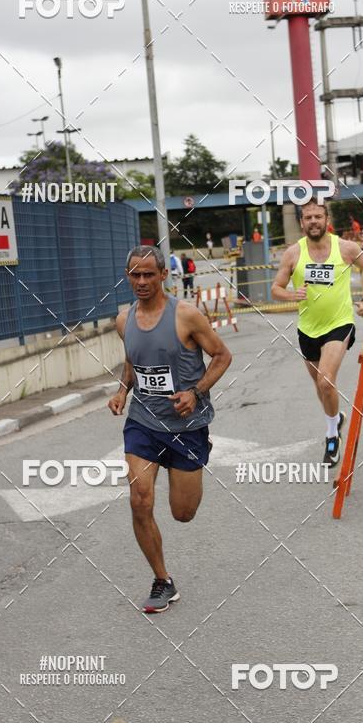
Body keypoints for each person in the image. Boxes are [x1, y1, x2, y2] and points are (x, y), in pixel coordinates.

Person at [108, 246, 232, 612]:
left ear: (164, 275)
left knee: (183, 512)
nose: (142, 281)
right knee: (140, 498)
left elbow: (223, 356)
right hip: (143, 423)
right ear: (127, 275)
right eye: (135, 274)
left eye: (149, 274)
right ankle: (162, 580)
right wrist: (121, 391)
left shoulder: (186, 316)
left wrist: (196, 392)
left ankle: (186, 480)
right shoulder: (123, 320)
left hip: (187, 427)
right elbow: (133, 361)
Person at [271, 198, 363, 468]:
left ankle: (331, 436)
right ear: (302, 223)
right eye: (308, 217)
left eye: (318, 216)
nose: (313, 221)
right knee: (321, 386)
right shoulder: (292, 253)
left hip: (339, 323)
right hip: (308, 329)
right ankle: (336, 418)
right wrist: (291, 294)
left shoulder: (346, 248)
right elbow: (275, 289)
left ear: (327, 220)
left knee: (326, 381)